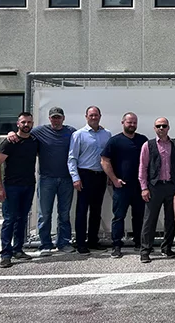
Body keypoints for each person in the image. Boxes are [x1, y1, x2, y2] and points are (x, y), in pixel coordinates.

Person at [6, 106, 76, 253]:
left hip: (66, 179)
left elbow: (84, 136)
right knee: (44, 214)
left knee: (64, 214)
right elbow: (22, 133)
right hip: (46, 179)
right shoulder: (38, 131)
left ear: (63, 118)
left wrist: (98, 128)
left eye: (59, 117)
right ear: (49, 118)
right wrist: (11, 132)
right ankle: (45, 244)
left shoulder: (71, 132)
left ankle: (63, 243)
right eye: (53, 117)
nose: (56, 120)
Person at [0, 112, 39, 268]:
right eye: (23, 122)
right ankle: (6, 254)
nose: (26, 125)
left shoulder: (33, 141)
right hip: (11, 186)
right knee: (9, 220)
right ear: (18, 124)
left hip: (28, 185)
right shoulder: (9, 142)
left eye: (29, 122)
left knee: (22, 218)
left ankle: (18, 249)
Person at [100, 112, 148, 258]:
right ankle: (116, 245)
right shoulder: (115, 141)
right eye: (129, 122)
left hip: (139, 186)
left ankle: (139, 243)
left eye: (134, 122)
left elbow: (148, 162)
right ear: (123, 123)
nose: (132, 125)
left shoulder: (142, 140)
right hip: (122, 186)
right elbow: (104, 160)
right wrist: (114, 179)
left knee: (139, 216)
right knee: (119, 217)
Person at [139, 117, 175, 263]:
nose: (161, 128)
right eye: (158, 126)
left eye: (164, 126)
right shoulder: (148, 145)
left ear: (168, 128)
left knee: (170, 219)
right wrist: (144, 188)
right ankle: (145, 251)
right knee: (149, 220)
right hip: (154, 187)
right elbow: (143, 167)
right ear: (154, 128)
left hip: (171, 186)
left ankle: (167, 248)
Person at [68, 106, 112, 254]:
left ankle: (93, 241)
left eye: (96, 115)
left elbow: (108, 157)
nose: (94, 117)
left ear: (100, 116)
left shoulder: (107, 134)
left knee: (96, 210)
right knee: (82, 211)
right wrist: (75, 178)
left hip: (100, 176)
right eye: (91, 115)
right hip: (84, 175)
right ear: (86, 116)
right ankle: (81, 243)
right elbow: (72, 158)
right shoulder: (78, 135)